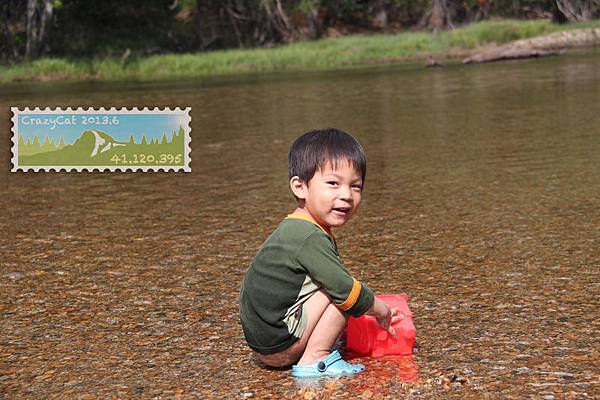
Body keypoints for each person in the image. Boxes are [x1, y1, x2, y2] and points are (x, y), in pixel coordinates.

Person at [239, 128, 404, 378]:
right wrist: (381, 310)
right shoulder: (309, 237)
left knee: (339, 286)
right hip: (279, 344)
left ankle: (314, 344)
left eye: (356, 186)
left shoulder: (296, 227)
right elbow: (346, 291)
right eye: (333, 183)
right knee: (347, 292)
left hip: (263, 342)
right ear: (300, 187)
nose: (346, 195)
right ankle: (315, 358)